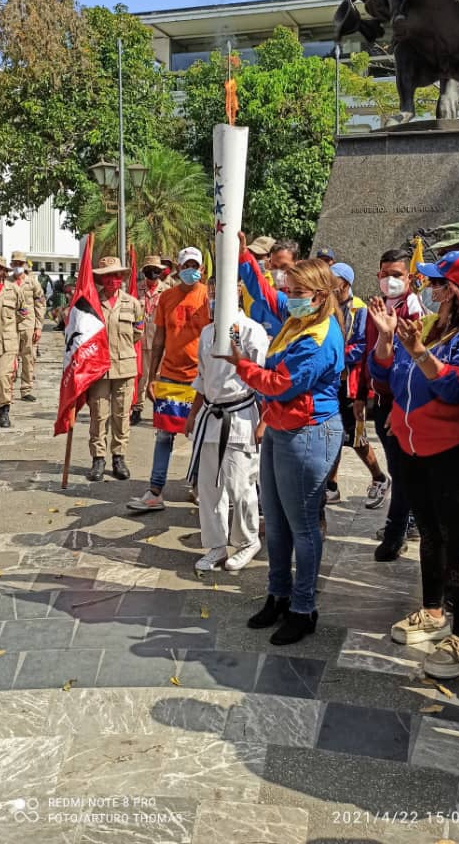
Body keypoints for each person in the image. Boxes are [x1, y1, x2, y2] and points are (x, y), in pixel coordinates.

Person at [369, 250, 459, 678]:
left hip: (455, 455)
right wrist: (387, 342)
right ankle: (433, 612)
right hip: (413, 450)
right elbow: (387, 379)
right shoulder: (433, 329)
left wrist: (419, 352)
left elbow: (456, 388)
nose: (431, 289)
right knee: (432, 538)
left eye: (438, 283)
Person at [224, 257, 344, 646]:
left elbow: (280, 384)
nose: (289, 298)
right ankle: (279, 593)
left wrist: (242, 366)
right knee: (274, 521)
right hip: (281, 426)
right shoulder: (299, 320)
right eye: (289, 290)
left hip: (308, 432)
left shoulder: (319, 337)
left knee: (303, 526)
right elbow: (265, 293)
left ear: (320, 296)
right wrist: (240, 256)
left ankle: (303, 608)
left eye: (297, 293)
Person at [185, 281, 268, 573]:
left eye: (222, 291)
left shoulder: (250, 331)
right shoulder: (207, 332)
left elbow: (264, 379)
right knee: (209, 487)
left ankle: (247, 541)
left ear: (237, 291)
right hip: (210, 416)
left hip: (240, 415)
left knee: (239, 484)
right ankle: (216, 545)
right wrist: (193, 414)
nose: (215, 297)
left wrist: (265, 422)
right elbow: (202, 378)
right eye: (212, 292)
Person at [127, 246, 210, 512]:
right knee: (164, 435)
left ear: (202, 269)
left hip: (200, 379)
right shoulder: (167, 298)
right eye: (186, 266)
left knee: (200, 435)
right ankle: (155, 490)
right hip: (171, 378)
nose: (191, 271)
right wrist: (152, 376)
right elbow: (160, 338)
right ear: (178, 268)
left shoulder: (209, 297)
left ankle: (198, 486)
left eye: (195, 266)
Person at [354, 247, 425, 550]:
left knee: (401, 469)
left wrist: (402, 407)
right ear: (378, 275)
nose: (391, 280)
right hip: (379, 398)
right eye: (386, 274)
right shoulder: (377, 307)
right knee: (398, 466)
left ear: (409, 276)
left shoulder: (413, 309)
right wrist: (359, 394)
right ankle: (405, 523)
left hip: (402, 401)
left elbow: (410, 362)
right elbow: (366, 349)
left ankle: (396, 534)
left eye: (397, 274)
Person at [325, 263, 390, 505]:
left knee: (355, 435)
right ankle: (331, 484)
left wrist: (335, 355)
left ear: (344, 282)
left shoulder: (360, 309)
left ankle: (379, 477)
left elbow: (362, 346)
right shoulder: (329, 306)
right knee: (336, 433)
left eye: (333, 279)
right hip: (333, 381)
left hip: (352, 382)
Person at [87, 256, 144, 483]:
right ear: (101, 279)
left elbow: (138, 332)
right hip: (99, 369)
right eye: (108, 275)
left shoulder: (133, 304)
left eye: (117, 275)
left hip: (125, 365)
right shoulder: (90, 304)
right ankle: (98, 458)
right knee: (99, 415)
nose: (113, 280)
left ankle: (119, 457)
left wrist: (122, 348)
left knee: (122, 415)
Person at [130, 255, 167, 426]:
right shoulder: (137, 290)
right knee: (142, 377)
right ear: (144, 272)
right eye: (149, 270)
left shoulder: (166, 291)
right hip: (141, 340)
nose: (153, 273)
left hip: (161, 340)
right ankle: (137, 408)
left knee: (159, 377)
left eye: (156, 270)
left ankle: (158, 410)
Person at [239, 238, 299, 338]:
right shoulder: (267, 300)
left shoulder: (305, 302)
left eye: (284, 266)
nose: (279, 272)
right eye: (274, 266)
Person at [0, 255, 28, 427]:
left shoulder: (14, 290)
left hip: (7, 343)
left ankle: (4, 410)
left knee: (3, 378)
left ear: (3, 272)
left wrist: (11, 329)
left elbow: (22, 313)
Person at [9, 251, 45, 402]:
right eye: (15, 264)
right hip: (10, 326)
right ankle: (7, 391)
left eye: (20, 264)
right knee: (9, 359)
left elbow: (40, 303)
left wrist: (38, 326)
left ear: (24, 265)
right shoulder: (7, 282)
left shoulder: (32, 282)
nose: (18, 266)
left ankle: (26, 389)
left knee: (29, 358)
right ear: (11, 265)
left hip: (29, 325)